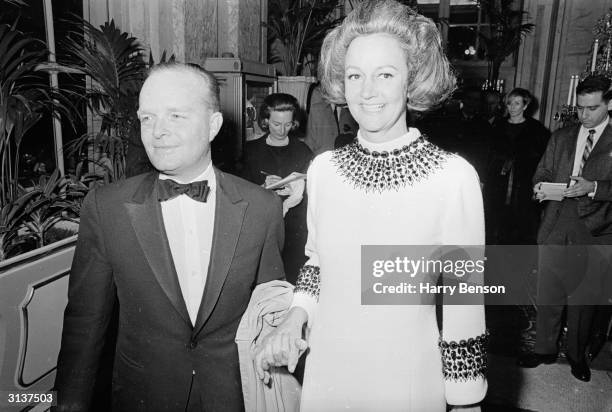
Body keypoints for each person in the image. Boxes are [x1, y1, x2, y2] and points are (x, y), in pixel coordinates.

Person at [254, 1, 488, 410]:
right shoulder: (324, 170)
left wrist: (466, 397)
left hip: (406, 375)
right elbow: (317, 263)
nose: (368, 91)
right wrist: (297, 315)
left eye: (385, 74)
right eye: (355, 75)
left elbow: (463, 295)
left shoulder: (452, 177)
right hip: (329, 369)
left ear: (411, 81)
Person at [53, 62, 285, 411]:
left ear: (213, 125)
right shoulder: (108, 207)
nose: (157, 131)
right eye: (147, 118)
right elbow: (85, 323)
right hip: (141, 396)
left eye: (176, 116)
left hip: (231, 396)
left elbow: (271, 314)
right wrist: (66, 405)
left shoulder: (262, 208)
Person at [518, 75, 612, 382]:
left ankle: (576, 356)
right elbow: (541, 171)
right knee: (549, 291)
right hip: (557, 219)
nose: (584, 115)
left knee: (583, 297)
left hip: (597, 226)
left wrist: (594, 186)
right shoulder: (561, 136)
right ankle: (544, 349)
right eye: (580, 107)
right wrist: (539, 188)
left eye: (592, 108)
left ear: (609, 104)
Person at [241, 93, 314, 284]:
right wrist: (262, 187)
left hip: (294, 230)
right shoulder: (251, 151)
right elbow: (238, 194)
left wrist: (299, 189)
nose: (282, 130)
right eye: (276, 124)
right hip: (262, 228)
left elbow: (314, 195)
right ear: (265, 121)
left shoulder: (303, 151)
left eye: (288, 125)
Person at [486, 88, 550, 244]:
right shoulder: (497, 126)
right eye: (509, 103)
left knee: (522, 226)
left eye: (516, 103)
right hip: (498, 183)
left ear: (525, 106)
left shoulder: (537, 129)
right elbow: (487, 154)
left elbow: (544, 159)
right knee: (496, 223)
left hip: (524, 184)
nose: (512, 107)